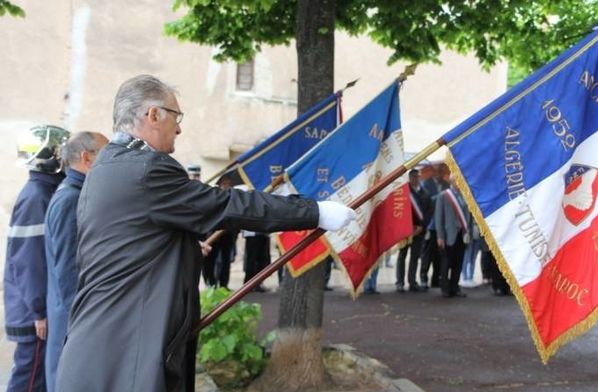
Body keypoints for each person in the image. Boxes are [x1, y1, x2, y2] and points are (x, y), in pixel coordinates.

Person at [55, 75, 355, 392]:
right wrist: (315, 212)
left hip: (107, 342)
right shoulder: (147, 168)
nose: (180, 128)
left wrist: (180, 251)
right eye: (176, 116)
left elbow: (130, 244)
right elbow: (225, 204)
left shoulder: (111, 163)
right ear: (153, 114)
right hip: (127, 353)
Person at [4, 124, 70, 392]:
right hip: (34, 315)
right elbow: (28, 261)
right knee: (29, 381)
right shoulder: (37, 197)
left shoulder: (44, 192)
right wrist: (39, 312)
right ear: (54, 156)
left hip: (34, 309)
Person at [44, 131, 108, 392]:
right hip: (72, 321)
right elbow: (69, 271)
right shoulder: (71, 199)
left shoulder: (75, 193)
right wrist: (82, 328)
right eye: (105, 154)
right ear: (86, 158)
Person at [395, 169, 430, 292]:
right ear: (409, 178)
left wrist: (422, 226)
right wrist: (407, 227)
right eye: (413, 177)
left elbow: (428, 213)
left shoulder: (425, 193)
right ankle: (399, 282)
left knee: (415, 257)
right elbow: (399, 212)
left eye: (417, 177)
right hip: (405, 231)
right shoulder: (403, 193)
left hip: (419, 230)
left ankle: (412, 282)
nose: (415, 179)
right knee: (402, 256)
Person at [434, 179, 470, 298]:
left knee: (458, 263)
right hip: (448, 235)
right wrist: (440, 236)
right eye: (457, 181)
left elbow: (467, 214)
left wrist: (468, 231)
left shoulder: (464, 195)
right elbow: (438, 218)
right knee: (446, 263)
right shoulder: (443, 195)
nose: (460, 183)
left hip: (462, 234)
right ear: (452, 181)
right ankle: (445, 288)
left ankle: (455, 287)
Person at [419, 164, 448, 289]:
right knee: (427, 255)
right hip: (431, 225)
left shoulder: (446, 185)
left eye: (443, 171)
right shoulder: (427, 183)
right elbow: (427, 201)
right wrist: (440, 196)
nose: (441, 173)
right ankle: (423, 278)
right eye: (439, 170)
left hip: (442, 226)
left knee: (439, 255)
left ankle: (436, 279)